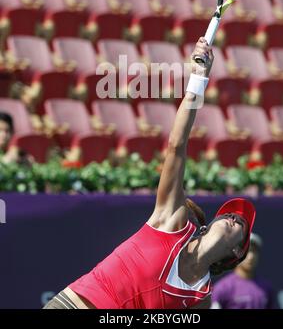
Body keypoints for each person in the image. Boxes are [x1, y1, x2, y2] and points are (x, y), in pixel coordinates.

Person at [44, 37, 256, 310]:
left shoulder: (200, 300)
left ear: (238, 251)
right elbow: (177, 146)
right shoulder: (173, 221)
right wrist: (198, 81)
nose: (230, 218)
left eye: (239, 223)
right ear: (206, 225)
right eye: (226, 214)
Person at [212, 233, 274, 309]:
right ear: (237, 254)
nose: (251, 256)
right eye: (247, 251)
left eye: (254, 251)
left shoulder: (266, 287)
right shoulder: (222, 288)